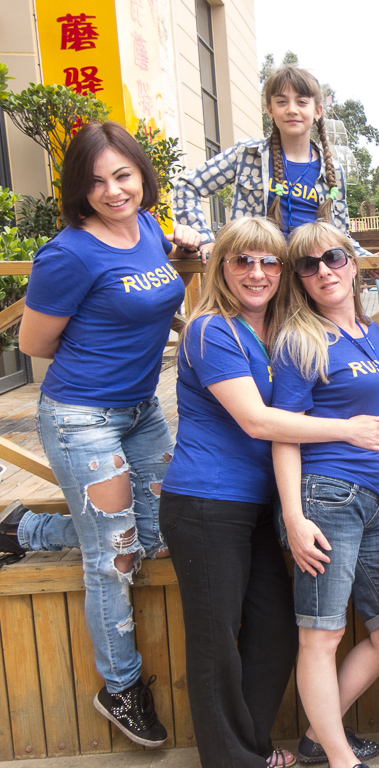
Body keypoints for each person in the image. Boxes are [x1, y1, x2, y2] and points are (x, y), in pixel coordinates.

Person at [158, 217, 379, 768]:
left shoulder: (276, 331)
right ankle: (233, 761)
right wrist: (347, 429)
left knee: (274, 630)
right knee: (216, 642)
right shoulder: (211, 328)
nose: (258, 272)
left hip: (255, 505)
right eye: (243, 260)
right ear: (222, 266)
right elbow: (260, 422)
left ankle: (254, 746)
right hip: (205, 503)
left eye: (270, 262)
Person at [5, 121, 200, 746]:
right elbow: (33, 344)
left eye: (123, 175)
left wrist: (186, 251)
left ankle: (24, 528)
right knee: (114, 558)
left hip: (142, 411)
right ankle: (121, 687)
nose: (113, 191)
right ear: (78, 190)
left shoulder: (147, 228)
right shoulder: (69, 254)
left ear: (141, 173)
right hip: (82, 417)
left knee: (158, 535)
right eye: (96, 182)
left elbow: (157, 290)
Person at [271, 223, 379, 768]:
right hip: (326, 497)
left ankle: (316, 738)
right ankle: (341, 760)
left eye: (333, 257)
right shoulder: (300, 340)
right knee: (321, 637)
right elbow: (282, 430)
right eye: (308, 264)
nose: (323, 270)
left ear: (353, 263)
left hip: (375, 501)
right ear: (299, 279)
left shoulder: (369, 331)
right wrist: (295, 517)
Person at [173, 64, 370, 257]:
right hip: (258, 276)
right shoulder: (247, 155)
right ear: (269, 109)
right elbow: (186, 186)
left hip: (311, 276)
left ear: (317, 111)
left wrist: (373, 260)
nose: (292, 109)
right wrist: (205, 238)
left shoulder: (332, 171)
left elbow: (341, 236)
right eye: (282, 102)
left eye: (301, 102)